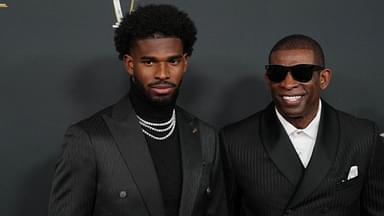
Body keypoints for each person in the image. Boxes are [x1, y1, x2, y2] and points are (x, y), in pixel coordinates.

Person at [48, 4, 227, 216]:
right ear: (130, 64)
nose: (162, 73)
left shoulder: (206, 137)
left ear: (185, 63)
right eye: (149, 61)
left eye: (173, 61)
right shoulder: (87, 139)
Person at [220, 34, 384, 215]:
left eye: (302, 73)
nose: (288, 84)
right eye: (278, 73)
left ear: (323, 78)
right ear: (268, 79)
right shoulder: (234, 141)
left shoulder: (363, 137)